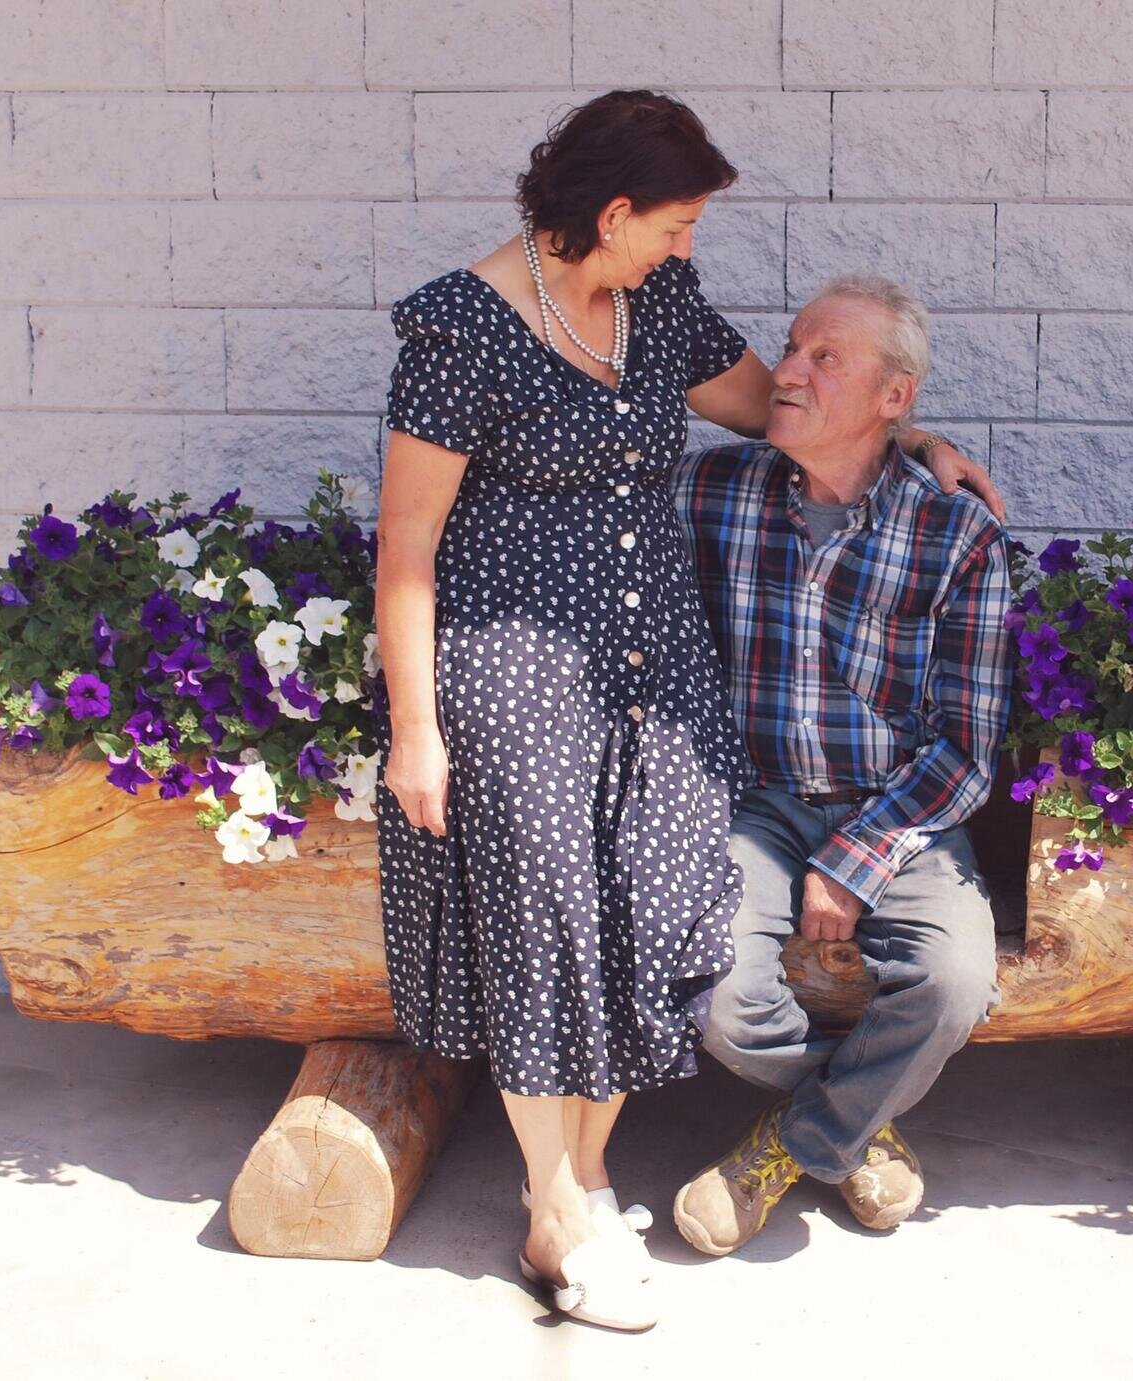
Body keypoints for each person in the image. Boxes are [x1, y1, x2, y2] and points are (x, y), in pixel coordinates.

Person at [372, 91, 999, 1331]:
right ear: (613, 215)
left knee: (657, 919)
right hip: (515, 673)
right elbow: (404, 549)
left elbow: (789, 401)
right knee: (548, 923)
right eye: (678, 223)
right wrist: (416, 727)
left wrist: (910, 430)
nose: (689, 246)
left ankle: (625, 1170)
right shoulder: (457, 331)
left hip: (660, 673)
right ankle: (561, 1207)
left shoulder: (652, 306)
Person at [670, 275, 1014, 1257]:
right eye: (791, 349)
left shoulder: (957, 534)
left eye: (826, 358)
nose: (788, 370)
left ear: (893, 398)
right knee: (720, 993)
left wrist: (853, 862)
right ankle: (859, 1122)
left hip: (903, 813)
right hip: (757, 806)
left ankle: (792, 1142)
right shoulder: (716, 492)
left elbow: (965, 748)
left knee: (951, 979)